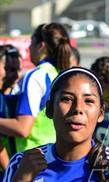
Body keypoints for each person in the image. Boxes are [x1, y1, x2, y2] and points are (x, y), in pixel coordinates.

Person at [0, 23, 72, 153]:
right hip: (53, 156)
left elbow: (22, 128)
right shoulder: (59, 73)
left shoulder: (36, 76)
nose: (29, 47)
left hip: (32, 160)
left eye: (32, 42)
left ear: (41, 46)